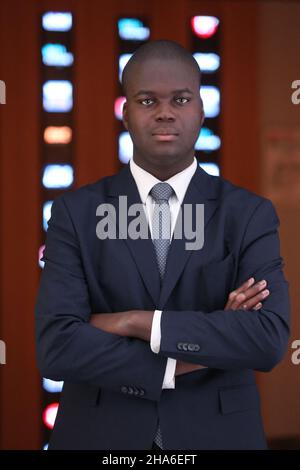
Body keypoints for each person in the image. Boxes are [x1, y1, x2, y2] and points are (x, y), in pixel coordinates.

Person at [35, 40, 290, 450]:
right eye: (147, 99)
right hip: (100, 436)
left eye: (181, 98)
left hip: (219, 436)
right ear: (126, 113)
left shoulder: (248, 214)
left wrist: (135, 322)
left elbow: (267, 338)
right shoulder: (75, 213)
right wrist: (203, 348)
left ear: (201, 110)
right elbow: (58, 348)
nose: (165, 112)